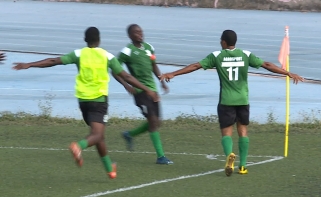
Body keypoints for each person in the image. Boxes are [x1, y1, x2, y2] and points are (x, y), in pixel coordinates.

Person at [12, 27, 159, 179]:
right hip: (99, 101)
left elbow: (53, 61)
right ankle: (78, 146)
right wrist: (146, 89)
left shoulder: (79, 54)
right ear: (99, 40)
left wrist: (29, 64)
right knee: (96, 134)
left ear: (85, 40)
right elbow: (126, 76)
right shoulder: (106, 56)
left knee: (98, 135)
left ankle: (110, 169)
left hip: (83, 101)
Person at [160, 30, 304, 176]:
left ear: (223, 42)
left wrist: (173, 73)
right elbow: (266, 65)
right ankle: (243, 166)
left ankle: (230, 155)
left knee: (226, 132)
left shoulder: (217, 56)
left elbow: (195, 66)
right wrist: (288, 73)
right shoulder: (245, 55)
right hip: (242, 99)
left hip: (226, 100)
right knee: (243, 131)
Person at [113, 24, 173, 165]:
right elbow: (115, 70)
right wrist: (126, 85)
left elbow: (153, 65)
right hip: (140, 91)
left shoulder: (149, 48)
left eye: (141, 32)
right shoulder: (127, 51)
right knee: (152, 120)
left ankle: (129, 134)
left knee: (157, 122)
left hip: (153, 90)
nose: (140, 34)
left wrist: (162, 81)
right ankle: (160, 157)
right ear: (130, 35)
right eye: (136, 32)